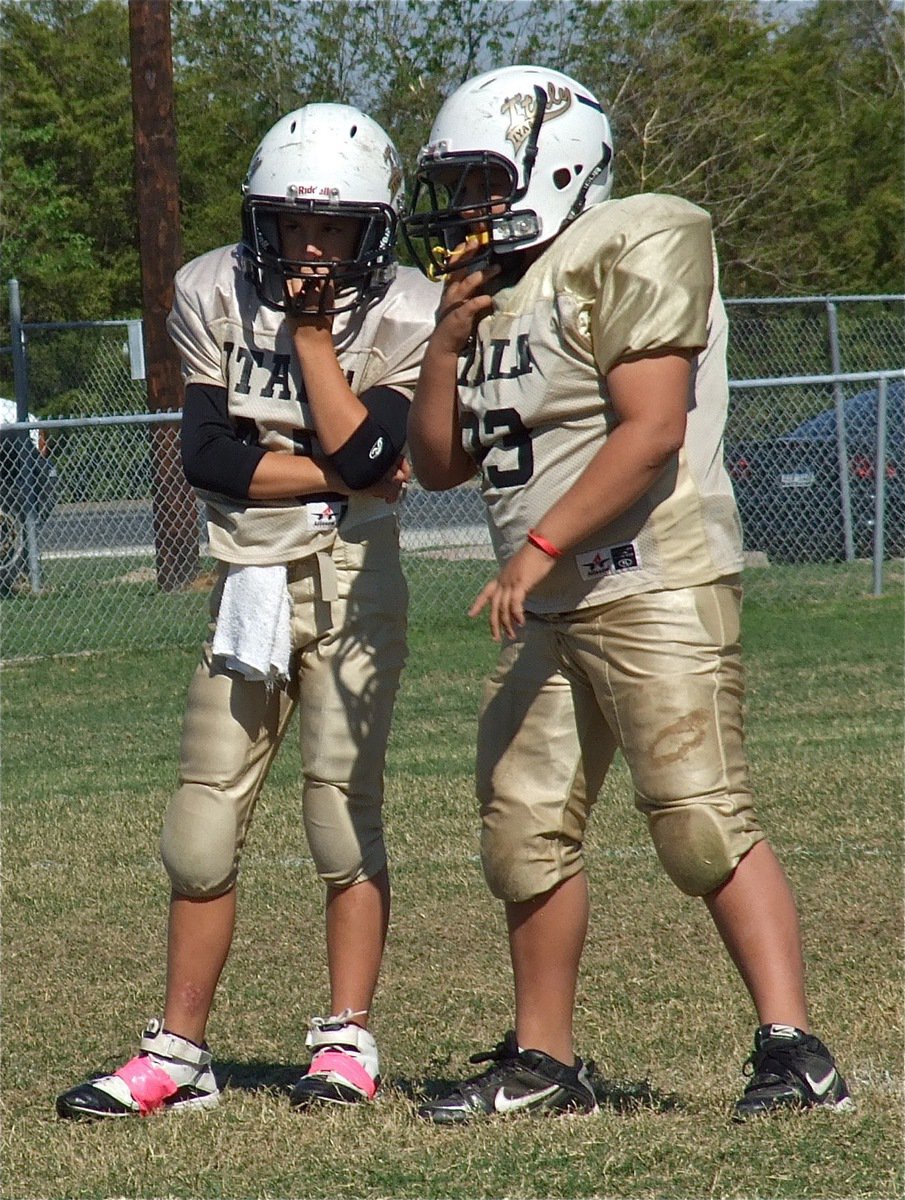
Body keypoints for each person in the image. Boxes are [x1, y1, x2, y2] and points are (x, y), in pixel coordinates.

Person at [403, 64, 852, 1124]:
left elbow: (649, 429)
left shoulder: (637, 236)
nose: (465, 208)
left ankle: (795, 1051)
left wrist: (538, 548)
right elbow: (435, 465)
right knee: (521, 832)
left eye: (479, 181)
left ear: (552, 166)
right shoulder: (491, 291)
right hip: (546, 600)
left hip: (649, 575)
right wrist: (443, 342)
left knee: (696, 817)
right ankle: (545, 1062)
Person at [56, 103, 440, 1120]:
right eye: (293, 223)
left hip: (355, 583)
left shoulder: (407, 309)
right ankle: (179, 1055)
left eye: (336, 228)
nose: (312, 246)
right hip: (248, 583)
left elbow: (376, 457)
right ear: (259, 218)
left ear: (376, 230)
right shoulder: (211, 287)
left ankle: (346, 1041)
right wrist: (341, 472)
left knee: (338, 815)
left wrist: (313, 344)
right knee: (199, 828)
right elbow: (208, 459)